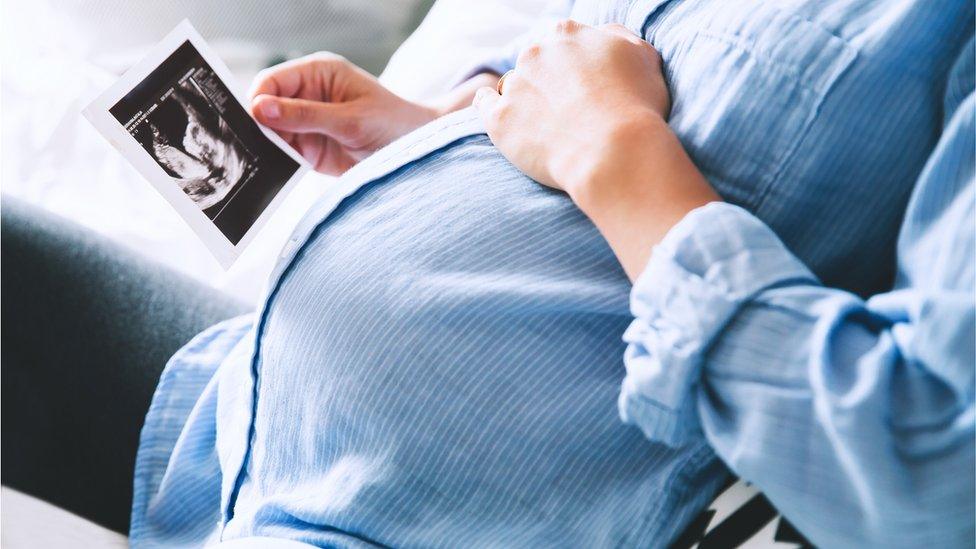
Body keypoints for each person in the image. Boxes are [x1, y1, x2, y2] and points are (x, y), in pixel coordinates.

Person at [2, 2, 972, 548]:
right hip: (238, 422)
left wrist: (610, 142)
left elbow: (927, 465)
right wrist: (452, 136)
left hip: (407, 519)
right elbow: (679, 146)